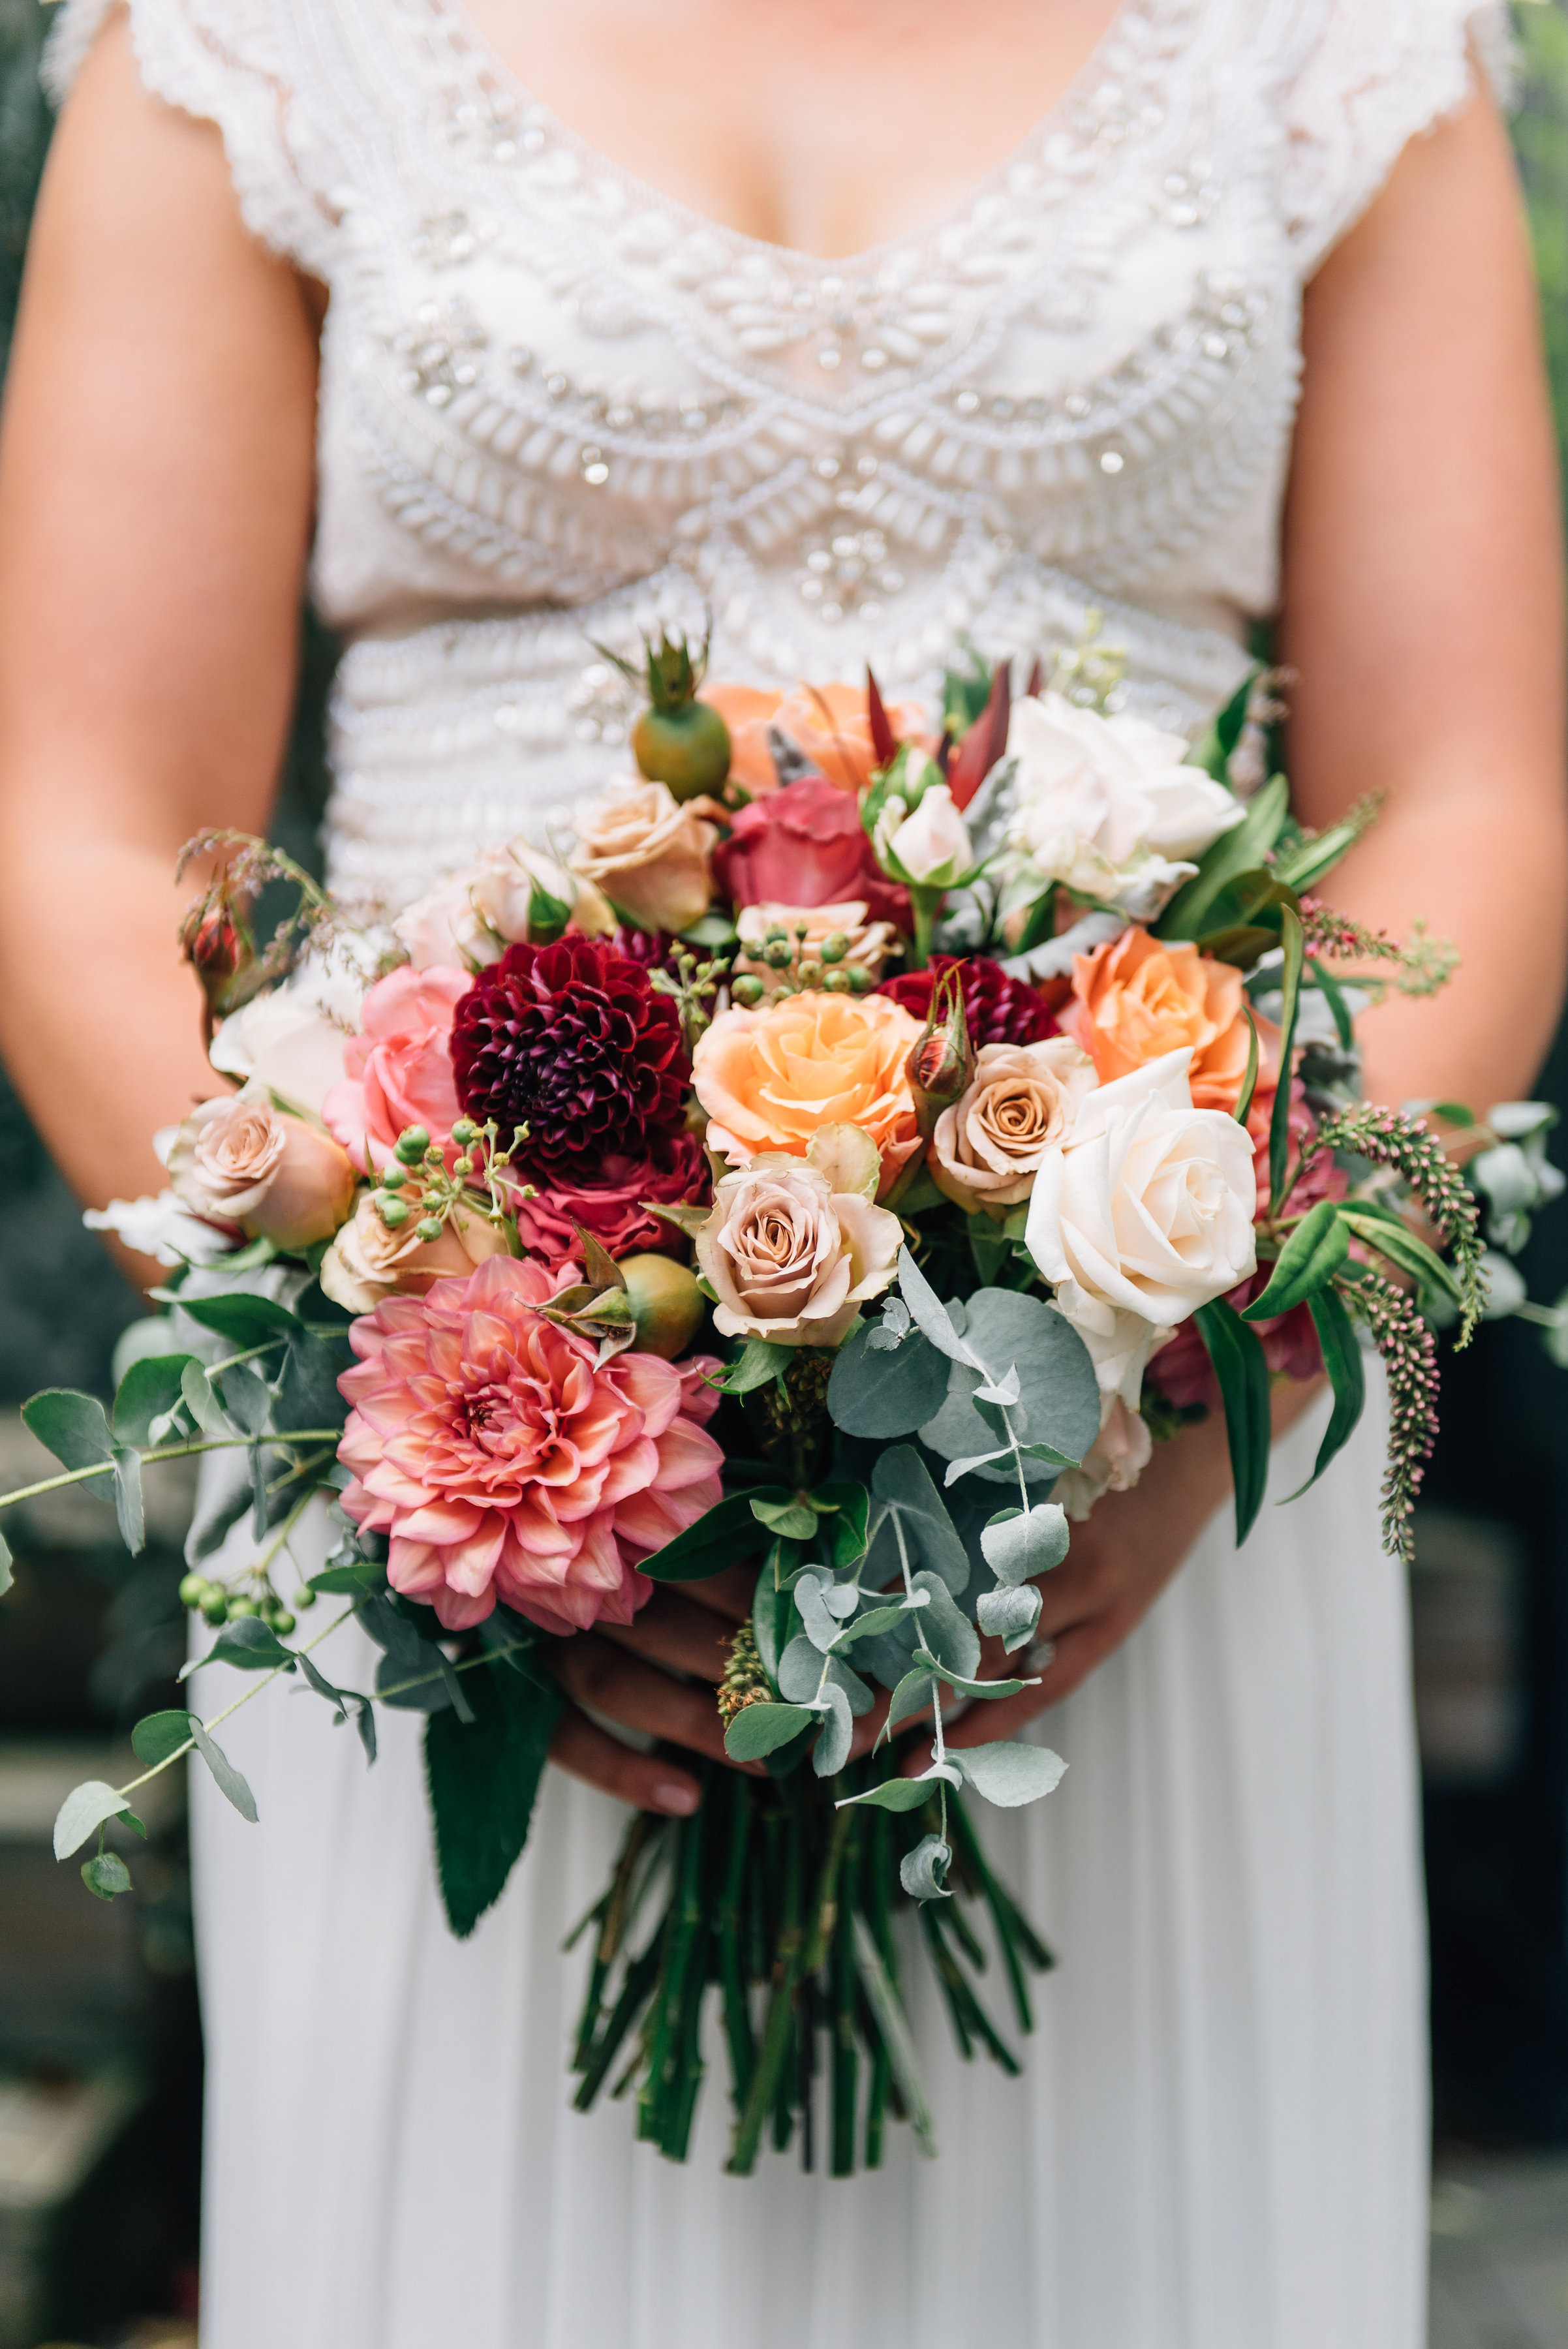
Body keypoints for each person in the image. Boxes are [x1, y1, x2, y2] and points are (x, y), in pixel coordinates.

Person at [0, 1, 1562, 2342]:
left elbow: (1470, 794)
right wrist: (438, 1384)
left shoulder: (1333, 41)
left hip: (1147, 1496)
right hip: (455, 1505)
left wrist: (1210, 1364)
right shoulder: (252, 38)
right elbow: (86, 826)